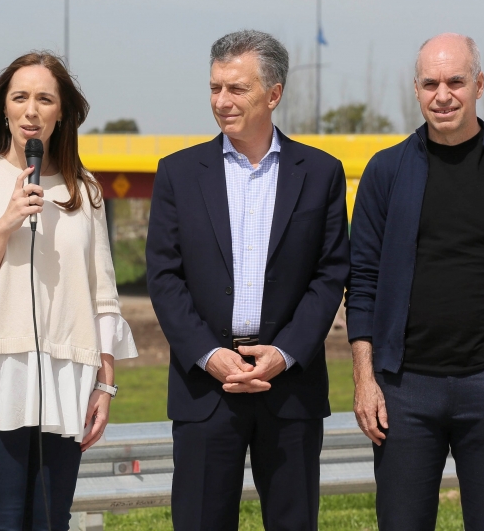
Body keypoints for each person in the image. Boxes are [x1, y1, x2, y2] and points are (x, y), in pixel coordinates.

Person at [346, 33, 484, 530]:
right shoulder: (385, 173)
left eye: (455, 81)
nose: (442, 94)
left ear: (479, 84)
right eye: (430, 83)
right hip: (403, 393)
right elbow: (361, 284)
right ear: (416, 89)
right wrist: (366, 380)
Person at [0, 51, 137, 530]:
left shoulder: (86, 190)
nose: (31, 110)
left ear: (62, 114)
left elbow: (103, 298)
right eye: (20, 97)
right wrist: (6, 222)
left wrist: (105, 384)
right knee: (0, 520)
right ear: (4, 109)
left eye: (44, 99)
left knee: (52, 520)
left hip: (68, 375)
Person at [146, 30, 350, 530]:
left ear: (273, 93)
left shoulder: (321, 173)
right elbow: (164, 275)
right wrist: (209, 356)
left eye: (237, 89)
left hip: (290, 388)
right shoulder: (177, 173)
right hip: (205, 389)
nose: (222, 101)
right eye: (215, 88)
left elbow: (329, 274)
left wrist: (284, 353)